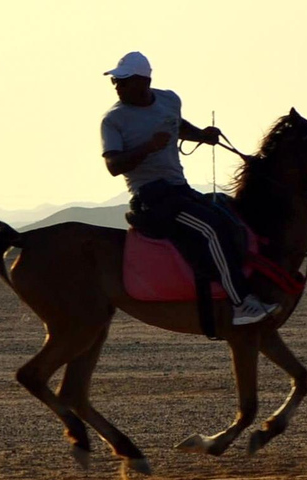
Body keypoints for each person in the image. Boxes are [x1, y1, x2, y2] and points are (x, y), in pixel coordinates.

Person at [101, 51, 278, 326]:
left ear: (143, 81)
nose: (117, 86)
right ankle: (241, 303)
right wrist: (149, 146)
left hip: (179, 189)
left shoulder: (170, 100)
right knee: (212, 228)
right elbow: (113, 165)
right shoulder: (113, 120)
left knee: (228, 215)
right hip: (151, 197)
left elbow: (177, 125)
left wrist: (202, 136)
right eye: (115, 81)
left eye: (122, 81)